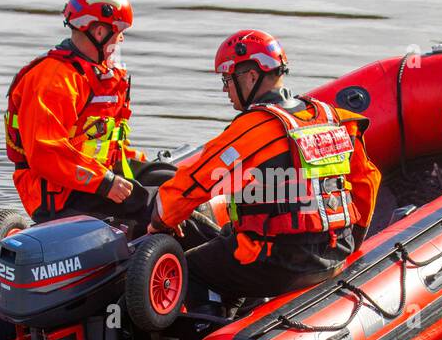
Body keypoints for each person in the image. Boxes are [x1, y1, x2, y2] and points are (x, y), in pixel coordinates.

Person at [147, 29, 381, 310]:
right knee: (226, 236)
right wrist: (352, 240)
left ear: (250, 75)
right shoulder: (333, 118)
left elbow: (194, 182)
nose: (226, 90)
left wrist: (161, 220)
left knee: (190, 269)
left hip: (279, 263)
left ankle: (208, 337)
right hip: (336, 252)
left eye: (227, 79)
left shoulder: (254, 129)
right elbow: (368, 179)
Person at [4, 0, 149, 224]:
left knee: (170, 182)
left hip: (94, 178)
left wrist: (138, 164)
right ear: (99, 32)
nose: (121, 39)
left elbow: (106, 141)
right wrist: (104, 182)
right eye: (119, 31)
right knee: (154, 205)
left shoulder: (92, 74)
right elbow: (45, 153)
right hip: (59, 195)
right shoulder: (54, 80)